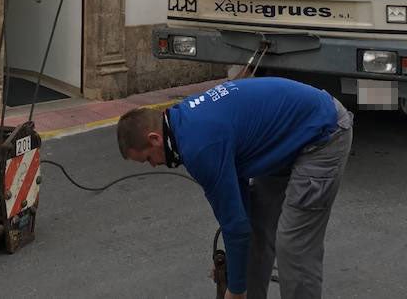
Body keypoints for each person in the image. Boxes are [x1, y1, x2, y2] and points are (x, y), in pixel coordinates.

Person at [117, 77, 353, 299]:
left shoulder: (198, 147)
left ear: (155, 139)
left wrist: (236, 290)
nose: (155, 164)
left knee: (293, 246)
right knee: (257, 230)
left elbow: (235, 226)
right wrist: (235, 272)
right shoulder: (182, 121)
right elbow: (239, 214)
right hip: (283, 138)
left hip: (322, 134)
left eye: (149, 158)